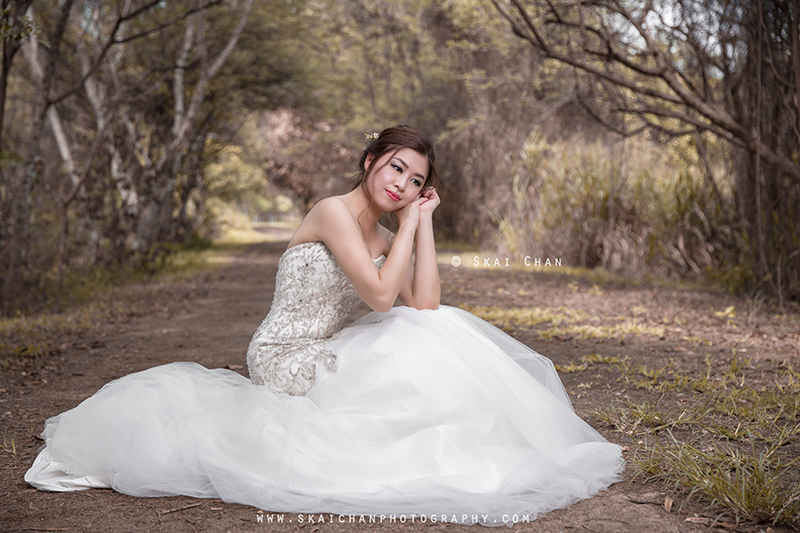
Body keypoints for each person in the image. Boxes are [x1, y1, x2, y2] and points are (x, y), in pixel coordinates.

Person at [25, 125, 624, 526]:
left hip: (328, 353)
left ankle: (454, 439)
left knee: (434, 331)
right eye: (397, 169)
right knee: (406, 336)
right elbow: (385, 299)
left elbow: (428, 304)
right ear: (370, 162)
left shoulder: (389, 232)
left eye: (416, 181)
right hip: (284, 355)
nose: (403, 185)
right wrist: (409, 229)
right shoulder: (332, 213)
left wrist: (425, 222)